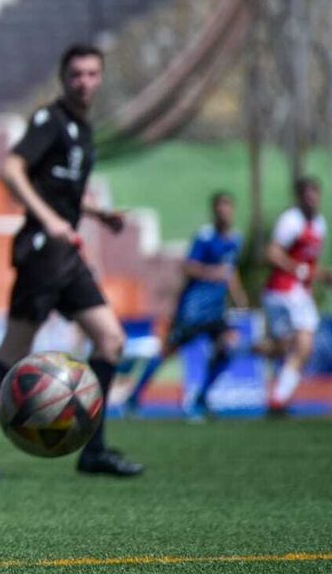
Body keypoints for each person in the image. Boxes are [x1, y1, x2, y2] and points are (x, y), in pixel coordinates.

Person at [0, 43, 142, 478]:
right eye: (76, 75)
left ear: (100, 78)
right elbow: (12, 170)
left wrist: (93, 213)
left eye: (91, 74)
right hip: (41, 254)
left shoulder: (83, 130)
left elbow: (61, 191)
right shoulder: (49, 121)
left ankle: (94, 449)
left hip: (66, 253)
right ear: (63, 78)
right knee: (14, 349)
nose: (84, 82)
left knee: (111, 340)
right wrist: (50, 219)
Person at [124, 192, 247, 420]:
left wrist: (238, 296)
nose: (224, 211)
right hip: (194, 309)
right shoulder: (205, 237)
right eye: (220, 206)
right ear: (214, 210)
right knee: (168, 351)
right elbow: (188, 267)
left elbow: (230, 271)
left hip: (216, 310)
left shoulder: (235, 239)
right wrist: (212, 273)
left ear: (233, 210)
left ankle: (202, 397)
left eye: (228, 206)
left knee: (228, 345)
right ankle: (133, 397)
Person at [259, 176, 328, 416]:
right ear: (299, 197)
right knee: (299, 346)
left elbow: (308, 264)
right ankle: (278, 398)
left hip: (298, 292)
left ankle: (277, 399)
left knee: (291, 347)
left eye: (315, 193)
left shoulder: (319, 223)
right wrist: (298, 269)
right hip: (284, 290)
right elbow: (272, 252)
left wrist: (321, 275)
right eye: (307, 193)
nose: (312, 198)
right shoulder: (291, 221)